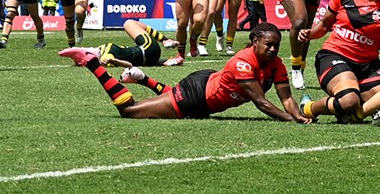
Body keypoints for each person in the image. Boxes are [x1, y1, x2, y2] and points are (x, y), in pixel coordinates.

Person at [59, 23, 309, 122]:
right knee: (130, 111)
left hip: (204, 93)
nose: (274, 49)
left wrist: (298, 114)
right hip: (196, 95)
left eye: (277, 45)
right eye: (269, 45)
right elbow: (262, 102)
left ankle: (143, 78)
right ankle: (93, 63)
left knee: (165, 100)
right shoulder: (242, 62)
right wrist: (290, 120)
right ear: (255, 42)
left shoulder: (275, 64)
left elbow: (286, 98)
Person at [60, 19, 178, 67]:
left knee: (134, 53)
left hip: (149, 60)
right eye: (88, 49)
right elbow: (129, 65)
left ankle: (166, 61)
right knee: (129, 23)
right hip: (148, 48)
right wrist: (114, 61)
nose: (90, 47)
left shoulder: (104, 55)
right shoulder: (106, 54)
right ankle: (165, 40)